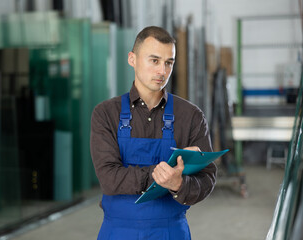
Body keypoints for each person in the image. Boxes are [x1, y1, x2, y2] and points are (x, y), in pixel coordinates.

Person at [90, 26, 216, 240]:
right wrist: (161, 176)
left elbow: (207, 179)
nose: (162, 71)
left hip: (170, 232)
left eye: (169, 63)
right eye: (154, 60)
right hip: (118, 232)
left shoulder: (191, 116)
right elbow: (109, 178)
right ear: (132, 59)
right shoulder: (105, 114)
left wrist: (179, 184)